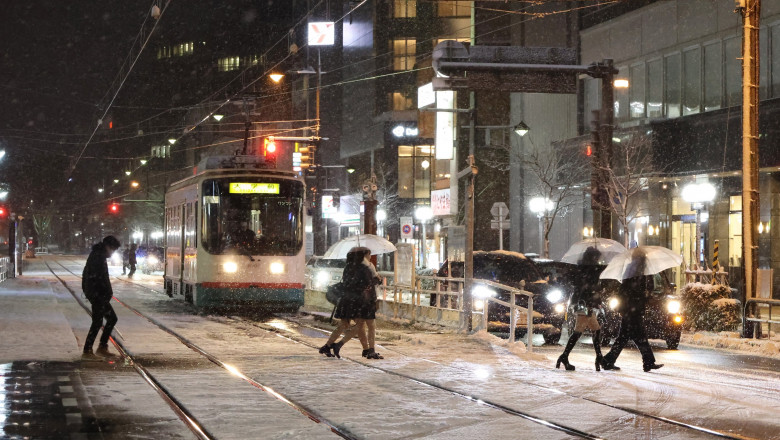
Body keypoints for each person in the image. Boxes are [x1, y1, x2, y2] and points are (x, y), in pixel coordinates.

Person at [600, 251, 664, 372]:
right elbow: (629, 291)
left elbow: (627, 291)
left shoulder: (636, 270)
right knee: (637, 337)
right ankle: (647, 362)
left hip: (631, 309)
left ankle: (608, 361)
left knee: (629, 337)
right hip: (632, 309)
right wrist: (643, 296)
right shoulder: (635, 271)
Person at [319, 247, 382, 359]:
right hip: (361, 301)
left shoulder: (348, 267)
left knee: (346, 325)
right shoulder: (364, 268)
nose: (370, 256)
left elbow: (348, 283)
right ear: (363, 256)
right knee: (363, 325)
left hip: (347, 300)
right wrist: (378, 279)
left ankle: (329, 346)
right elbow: (367, 284)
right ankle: (340, 345)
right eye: (368, 254)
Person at [556, 247, 605, 371]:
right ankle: (566, 356)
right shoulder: (588, 270)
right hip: (584, 305)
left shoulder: (584, 268)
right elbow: (586, 289)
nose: (598, 260)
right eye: (597, 258)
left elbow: (587, 288)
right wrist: (593, 298)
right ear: (592, 257)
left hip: (584, 304)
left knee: (594, 330)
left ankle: (598, 357)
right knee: (581, 332)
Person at [82, 235, 121, 360]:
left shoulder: (99, 255)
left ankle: (98, 347)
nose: (113, 252)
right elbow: (97, 278)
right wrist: (100, 293)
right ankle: (91, 349)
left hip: (99, 294)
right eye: (113, 249)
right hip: (98, 295)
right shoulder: (97, 257)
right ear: (107, 246)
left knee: (104, 320)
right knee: (104, 320)